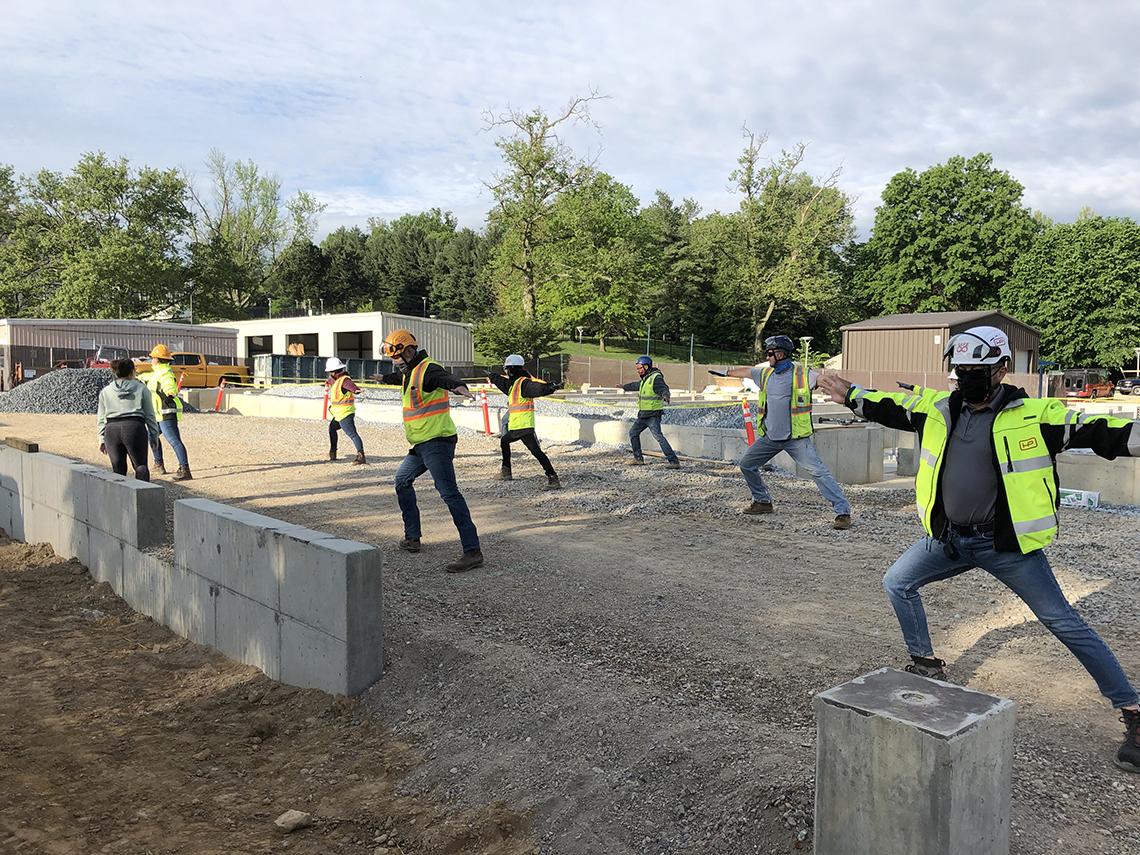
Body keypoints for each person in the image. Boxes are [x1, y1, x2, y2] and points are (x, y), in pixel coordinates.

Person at [818, 324, 1140, 772]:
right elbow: (891, 405)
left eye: (978, 370)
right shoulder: (938, 409)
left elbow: (1105, 431)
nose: (968, 377)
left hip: (1005, 546)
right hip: (950, 540)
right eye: (961, 369)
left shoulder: (1036, 415)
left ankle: (1132, 711)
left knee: (1061, 621)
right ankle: (926, 664)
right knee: (898, 581)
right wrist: (851, 394)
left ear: (1003, 369)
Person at [377, 329, 483, 573]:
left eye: (396, 358)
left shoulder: (428, 369)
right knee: (402, 481)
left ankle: (472, 551)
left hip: (437, 442)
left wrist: (460, 387)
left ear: (407, 351)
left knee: (449, 493)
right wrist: (382, 378)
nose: (395, 363)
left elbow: (445, 378)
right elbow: (398, 379)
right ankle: (412, 537)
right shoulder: (410, 372)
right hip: (420, 445)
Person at [725, 334, 852, 529]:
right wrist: (727, 372)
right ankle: (762, 502)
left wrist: (851, 391)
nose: (768, 357)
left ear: (781, 354)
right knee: (747, 465)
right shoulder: (766, 374)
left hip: (796, 439)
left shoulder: (802, 374)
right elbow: (748, 372)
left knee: (818, 472)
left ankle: (842, 512)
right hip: (771, 437)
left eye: (770, 353)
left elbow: (825, 380)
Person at [486, 354, 561, 489]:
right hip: (520, 425)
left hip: (523, 425)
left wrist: (550, 387)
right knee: (529, 449)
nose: (506, 372)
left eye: (507, 369)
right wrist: (492, 376)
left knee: (531, 450)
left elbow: (538, 388)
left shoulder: (523, 383)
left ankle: (551, 478)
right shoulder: (514, 384)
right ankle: (551, 477)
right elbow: (502, 383)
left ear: (511, 369)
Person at [97, 359, 159, 481]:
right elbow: (150, 415)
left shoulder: (105, 391)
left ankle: (120, 499)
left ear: (115, 373)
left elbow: (101, 417)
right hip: (134, 427)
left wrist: (101, 438)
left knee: (118, 470)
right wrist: (154, 434)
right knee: (140, 466)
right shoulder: (141, 389)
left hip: (112, 430)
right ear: (132, 372)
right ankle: (143, 498)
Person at [620, 356, 680, 468]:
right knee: (633, 433)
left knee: (658, 437)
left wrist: (666, 395)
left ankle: (674, 461)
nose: (638, 371)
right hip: (643, 415)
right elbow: (636, 385)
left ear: (646, 367)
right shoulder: (646, 379)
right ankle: (638, 459)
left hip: (653, 415)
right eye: (637, 368)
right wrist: (624, 387)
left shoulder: (655, 378)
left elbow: (663, 388)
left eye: (640, 368)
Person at [144, 344, 192, 481]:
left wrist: (170, 391)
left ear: (158, 359)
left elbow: (169, 386)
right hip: (159, 413)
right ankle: (159, 464)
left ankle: (185, 469)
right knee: (152, 437)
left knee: (174, 441)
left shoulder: (165, 374)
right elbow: (149, 377)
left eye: (152, 358)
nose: (151, 360)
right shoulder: (157, 372)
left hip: (166, 412)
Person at [324, 357, 366, 465]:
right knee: (332, 429)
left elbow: (351, 386)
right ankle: (333, 452)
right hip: (339, 414)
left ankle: (361, 456)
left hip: (345, 414)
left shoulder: (344, 380)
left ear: (334, 372)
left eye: (330, 372)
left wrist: (356, 390)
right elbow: (332, 381)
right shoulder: (337, 380)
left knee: (352, 434)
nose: (329, 374)